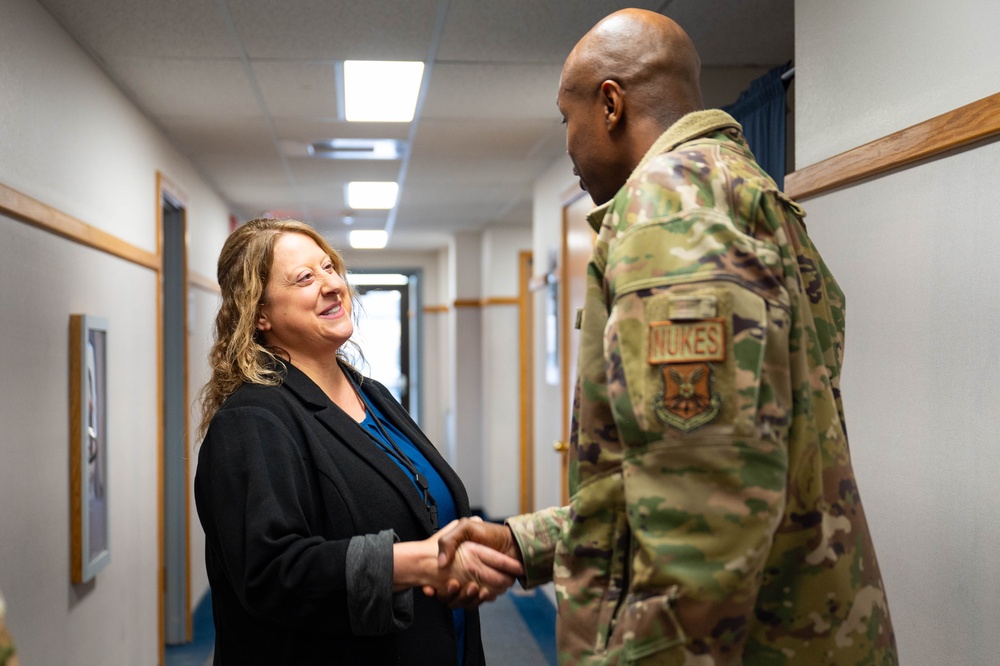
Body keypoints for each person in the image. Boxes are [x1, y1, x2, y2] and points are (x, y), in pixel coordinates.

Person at [436, 8, 897, 665]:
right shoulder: (745, 192)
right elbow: (685, 478)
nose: (568, 146)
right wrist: (524, 542)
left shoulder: (672, 219)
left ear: (611, 104)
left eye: (567, 120)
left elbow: (702, 539)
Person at [194, 217, 522, 665]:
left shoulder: (371, 393)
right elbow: (270, 573)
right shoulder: (253, 420)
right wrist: (418, 563)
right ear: (259, 314)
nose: (331, 285)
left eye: (329, 268)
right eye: (305, 278)